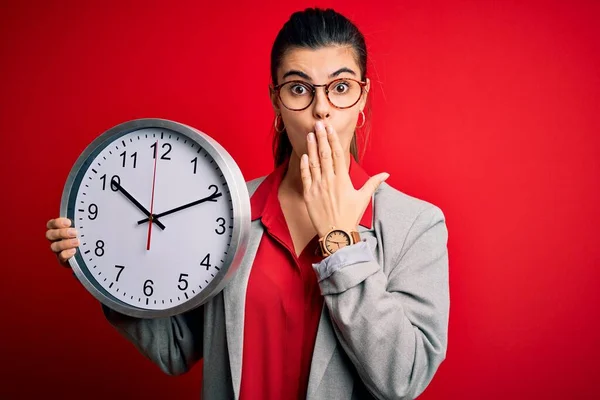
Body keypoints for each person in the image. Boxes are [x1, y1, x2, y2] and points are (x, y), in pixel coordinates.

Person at [45, 7, 449, 400]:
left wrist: (339, 243)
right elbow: (175, 348)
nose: (321, 108)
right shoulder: (222, 209)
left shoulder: (415, 225)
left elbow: (404, 379)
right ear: (276, 101)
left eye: (340, 88)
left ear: (362, 99)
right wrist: (98, 270)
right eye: (298, 88)